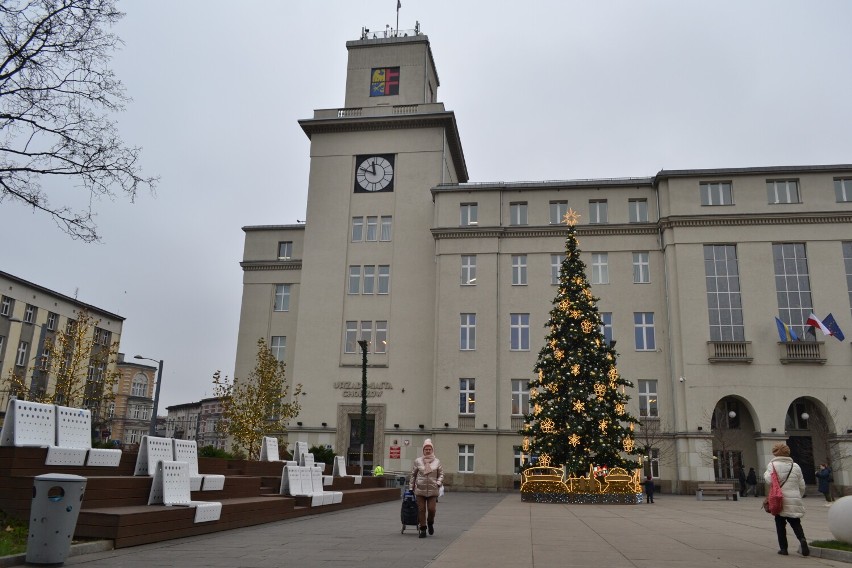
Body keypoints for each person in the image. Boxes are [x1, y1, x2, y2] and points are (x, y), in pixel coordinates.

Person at [764, 443, 809, 556]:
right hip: (794, 497)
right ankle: (802, 539)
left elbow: (769, 480)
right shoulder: (796, 466)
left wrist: (766, 473)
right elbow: (802, 485)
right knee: (795, 522)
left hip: (779, 498)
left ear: (775, 452)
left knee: (780, 524)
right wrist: (798, 495)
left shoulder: (772, 465)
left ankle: (783, 549)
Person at [409, 438, 444, 538]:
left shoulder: (437, 462)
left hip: (433, 490)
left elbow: (441, 474)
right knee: (421, 509)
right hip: (420, 490)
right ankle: (423, 528)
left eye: (429, 449)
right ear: (423, 450)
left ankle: (430, 523)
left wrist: (438, 483)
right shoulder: (418, 461)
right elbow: (413, 475)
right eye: (426, 449)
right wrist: (411, 487)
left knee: (432, 509)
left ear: (432, 450)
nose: (428, 451)